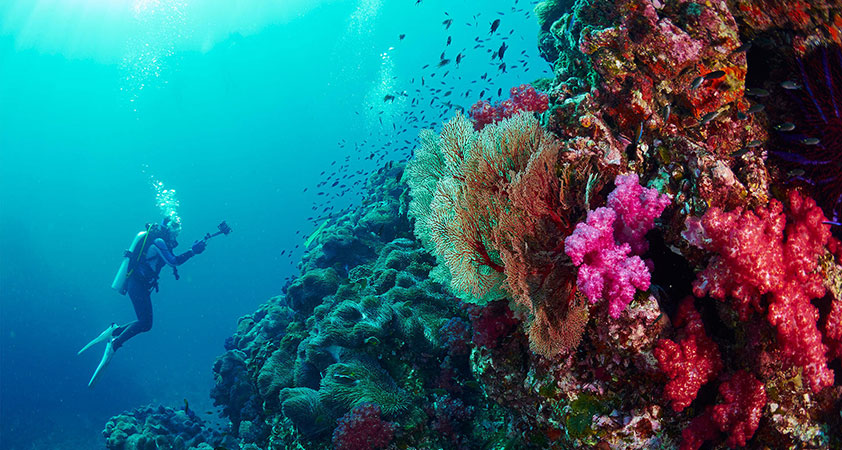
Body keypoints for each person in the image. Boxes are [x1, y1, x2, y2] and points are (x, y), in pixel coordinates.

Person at [81, 217, 206, 387]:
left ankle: (115, 331)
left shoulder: (159, 240)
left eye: (179, 228)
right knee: (145, 323)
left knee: (146, 323)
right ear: (167, 227)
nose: (177, 232)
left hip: (139, 285)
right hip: (137, 285)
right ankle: (114, 344)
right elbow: (173, 261)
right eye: (175, 227)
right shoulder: (159, 240)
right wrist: (193, 251)